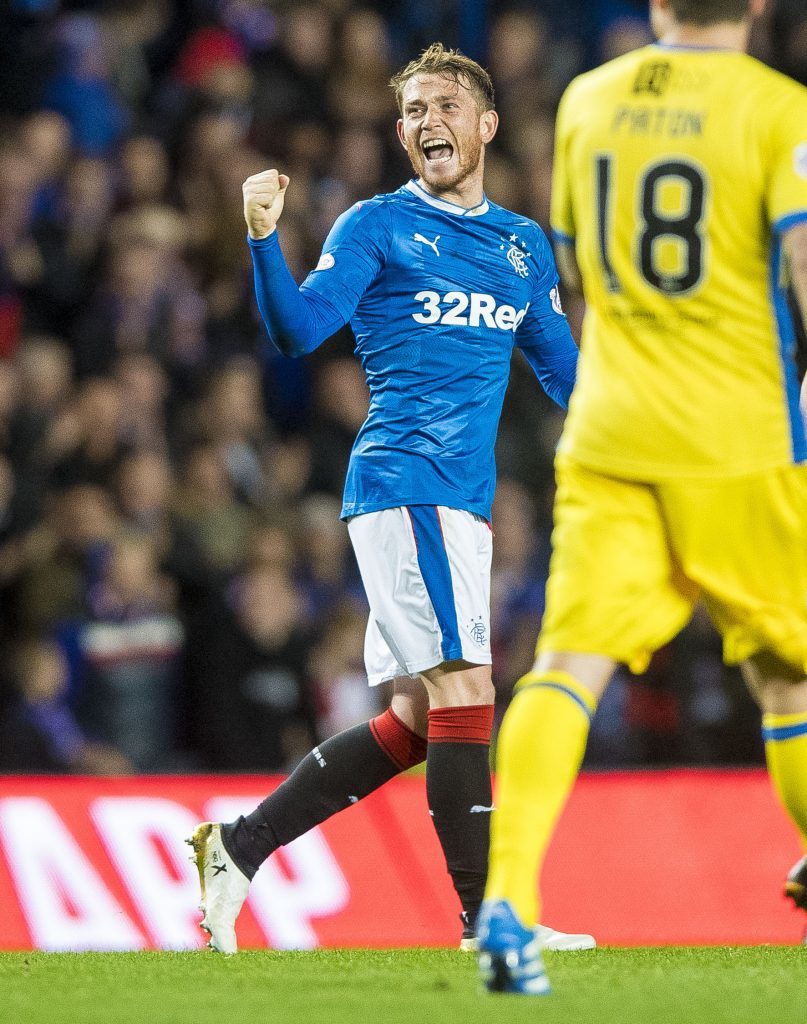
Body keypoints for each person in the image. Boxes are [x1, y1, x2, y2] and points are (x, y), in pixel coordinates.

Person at [187, 43, 593, 955]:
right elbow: (297, 331)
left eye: (444, 104)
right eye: (411, 110)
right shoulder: (375, 226)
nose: (426, 122)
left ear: (486, 124)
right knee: (467, 689)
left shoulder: (523, 248)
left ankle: (238, 848)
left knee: (417, 721)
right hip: (403, 481)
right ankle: (488, 923)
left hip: (464, 503)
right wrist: (261, 237)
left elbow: (570, 383)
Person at [477, 0, 807, 995]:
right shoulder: (779, 108)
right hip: (738, 439)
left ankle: (506, 902)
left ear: (659, 2)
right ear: (756, 4)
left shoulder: (587, 100)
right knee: (790, 676)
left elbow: (573, 265)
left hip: (612, 432)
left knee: (569, 665)